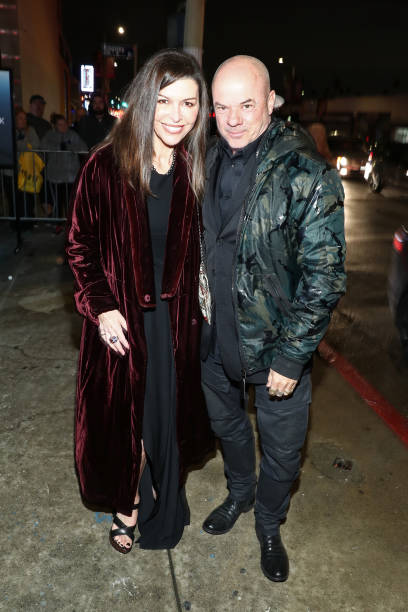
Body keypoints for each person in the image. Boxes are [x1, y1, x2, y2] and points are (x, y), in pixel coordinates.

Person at [200, 56, 346, 582]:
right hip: (213, 340)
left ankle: (268, 522)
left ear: (270, 102)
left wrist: (292, 355)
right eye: (222, 107)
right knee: (227, 427)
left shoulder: (307, 174)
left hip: (276, 349)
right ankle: (240, 493)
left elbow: (324, 277)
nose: (233, 119)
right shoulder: (205, 159)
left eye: (246, 104)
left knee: (282, 454)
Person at [66, 49, 214, 554]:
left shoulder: (192, 167)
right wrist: (101, 305)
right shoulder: (106, 165)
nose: (176, 115)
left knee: (164, 419)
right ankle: (127, 501)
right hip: (123, 319)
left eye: (189, 103)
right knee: (127, 421)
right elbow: (79, 246)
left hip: (174, 323)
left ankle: (163, 494)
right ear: (146, 99)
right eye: (165, 100)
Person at [41, 114, 86, 221]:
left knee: (70, 202)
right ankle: (57, 223)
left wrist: (69, 147)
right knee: (57, 202)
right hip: (55, 176)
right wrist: (58, 147)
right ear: (55, 126)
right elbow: (42, 146)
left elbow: (83, 147)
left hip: (71, 176)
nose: (63, 126)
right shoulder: (50, 135)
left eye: (65, 124)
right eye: (60, 124)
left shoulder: (73, 135)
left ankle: (71, 223)